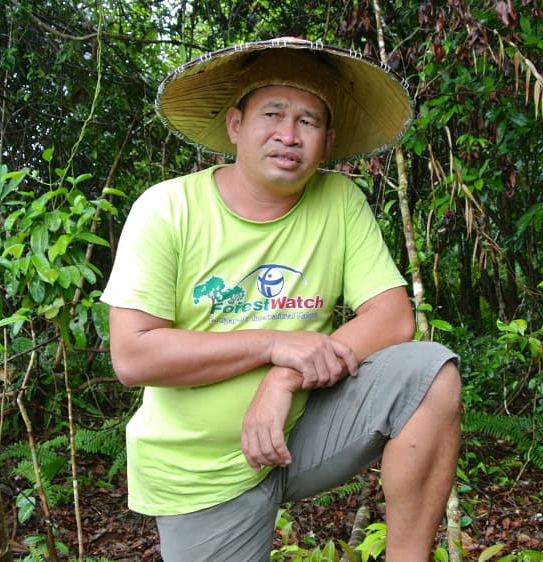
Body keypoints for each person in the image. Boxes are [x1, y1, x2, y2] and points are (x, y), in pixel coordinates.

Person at [101, 37, 461, 561]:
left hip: (305, 428)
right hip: (201, 471)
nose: (289, 135)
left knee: (429, 372)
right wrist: (275, 344)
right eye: (273, 114)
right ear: (235, 126)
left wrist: (284, 377)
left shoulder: (339, 200)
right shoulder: (167, 209)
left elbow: (392, 317)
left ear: (327, 140)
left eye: (308, 122)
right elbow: (133, 356)